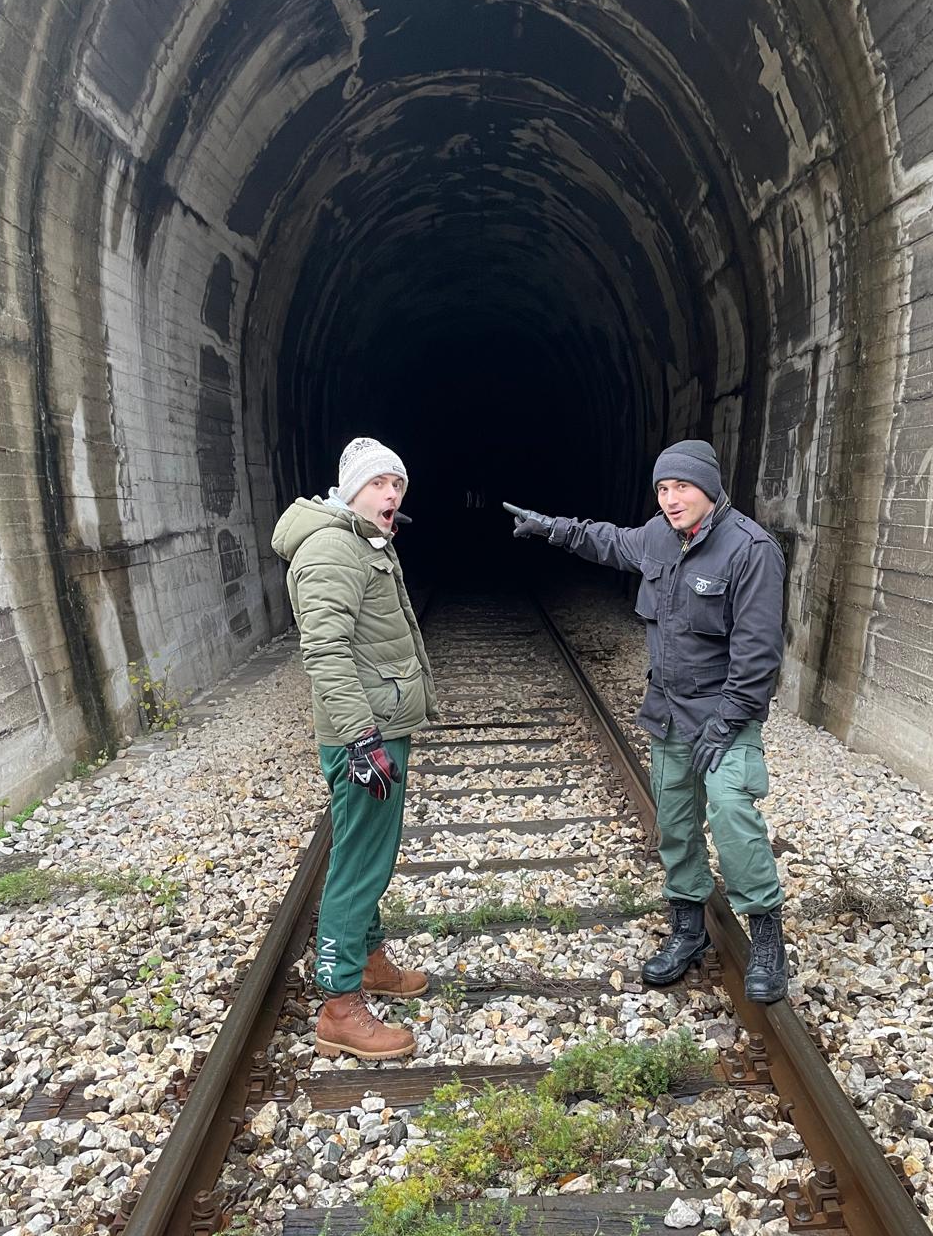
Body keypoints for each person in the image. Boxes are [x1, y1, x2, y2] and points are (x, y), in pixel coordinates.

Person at [503, 439, 789, 1002]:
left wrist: (727, 721)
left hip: (722, 713)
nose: (671, 498)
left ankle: (765, 934)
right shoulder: (660, 534)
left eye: (681, 486)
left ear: (708, 487)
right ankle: (688, 929)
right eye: (662, 488)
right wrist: (551, 528)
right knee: (676, 823)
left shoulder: (751, 549)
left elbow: (759, 653)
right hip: (668, 711)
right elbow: (607, 540)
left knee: (732, 811)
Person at [273, 437, 438, 1058]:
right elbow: (324, 654)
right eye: (377, 483)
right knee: (357, 864)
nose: (390, 493)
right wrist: (363, 739)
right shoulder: (330, 551)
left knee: (369, 851)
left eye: (397, 482)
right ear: (350, 490)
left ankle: (370, 964)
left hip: (378, 724)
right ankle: (340, 1007)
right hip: (362, 734)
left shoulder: (363, 541)